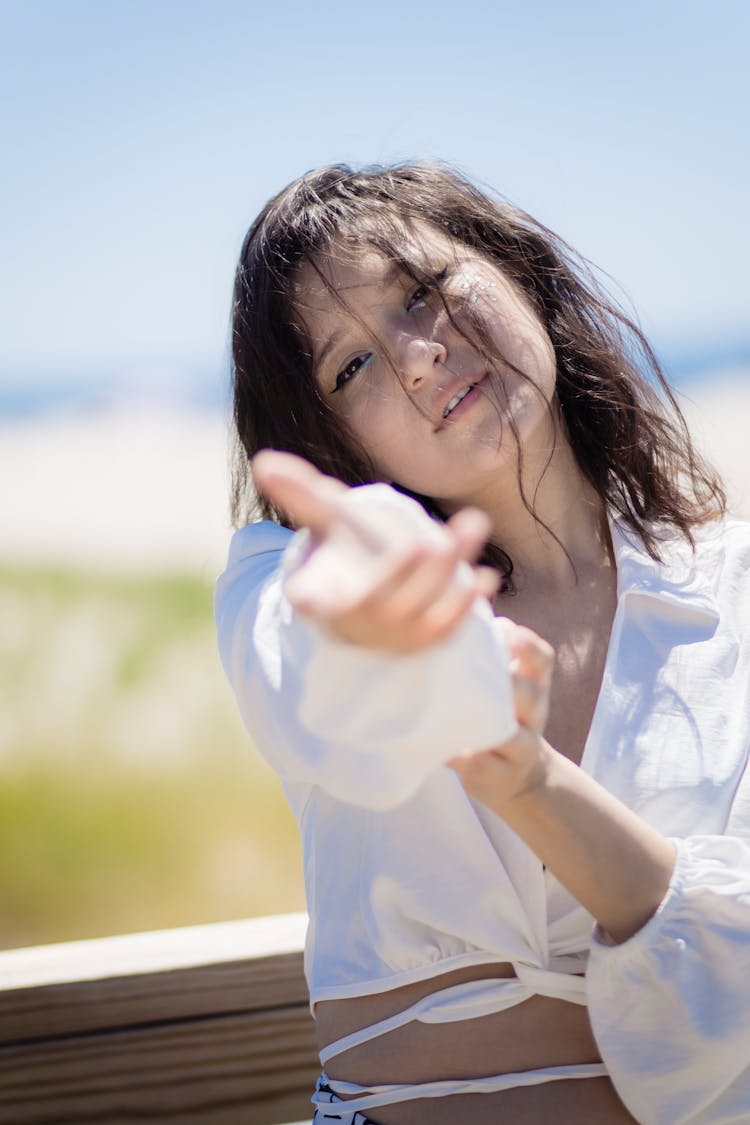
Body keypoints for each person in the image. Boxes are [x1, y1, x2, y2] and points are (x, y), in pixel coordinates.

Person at [215, 163, 750, 1124]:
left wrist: (527, 781)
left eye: (421, 291)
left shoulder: (734, 588)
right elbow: (311, 683)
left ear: (517, 270)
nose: (418, 355)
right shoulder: (290, 578)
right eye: (352, 366)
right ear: (336, 446)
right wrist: (364, 625)